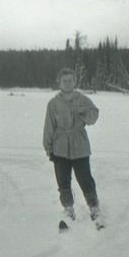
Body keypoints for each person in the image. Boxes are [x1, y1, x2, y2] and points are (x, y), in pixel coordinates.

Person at [43, 67, 101, 222]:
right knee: (62, 180)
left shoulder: (83, 99)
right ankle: (68, 209)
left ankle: (94, 208)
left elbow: (93, 118)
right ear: (59, 82)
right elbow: (49, 127)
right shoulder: (53, 103)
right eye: (64, 81)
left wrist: (84, 113)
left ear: (75, 81)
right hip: (59, 147)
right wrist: (49, 148)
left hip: (80, 146)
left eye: (70, 80)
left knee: (85, 178)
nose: (67, 83)